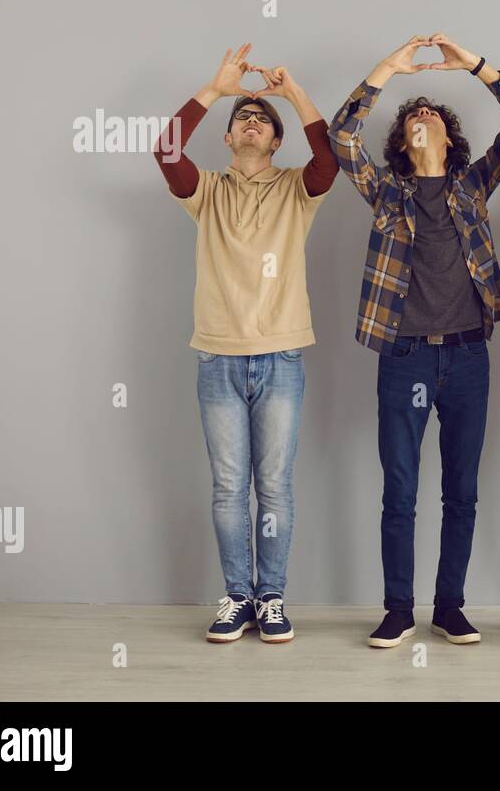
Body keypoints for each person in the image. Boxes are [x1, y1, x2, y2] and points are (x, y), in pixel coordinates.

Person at [327, 34, 500, 648]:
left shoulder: (472, 187)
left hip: (468, 354)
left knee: (461, 491)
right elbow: (340, 139)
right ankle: (396, 610)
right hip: (405, 355)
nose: (422, 116)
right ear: (402, 139)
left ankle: (449, 607)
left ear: (447, 137)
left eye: (431, 113)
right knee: (401, 492)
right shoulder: (386, 189)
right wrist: (389, 67)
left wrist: (471, 64)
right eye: (412, 114)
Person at [153, 44, 337, 644]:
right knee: (230, 487)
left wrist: (293, 94)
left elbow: (330, 157)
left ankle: (273, 598)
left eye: (264, 118)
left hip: (282, 356)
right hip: (218, 357)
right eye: (244, 117)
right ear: (229, 138)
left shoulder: (296, 191)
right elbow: (165, 150)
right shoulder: (205, 191)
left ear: (276, 141)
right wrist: (216, 87)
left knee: (275, 486)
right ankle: (238, 597)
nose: (252, 120)